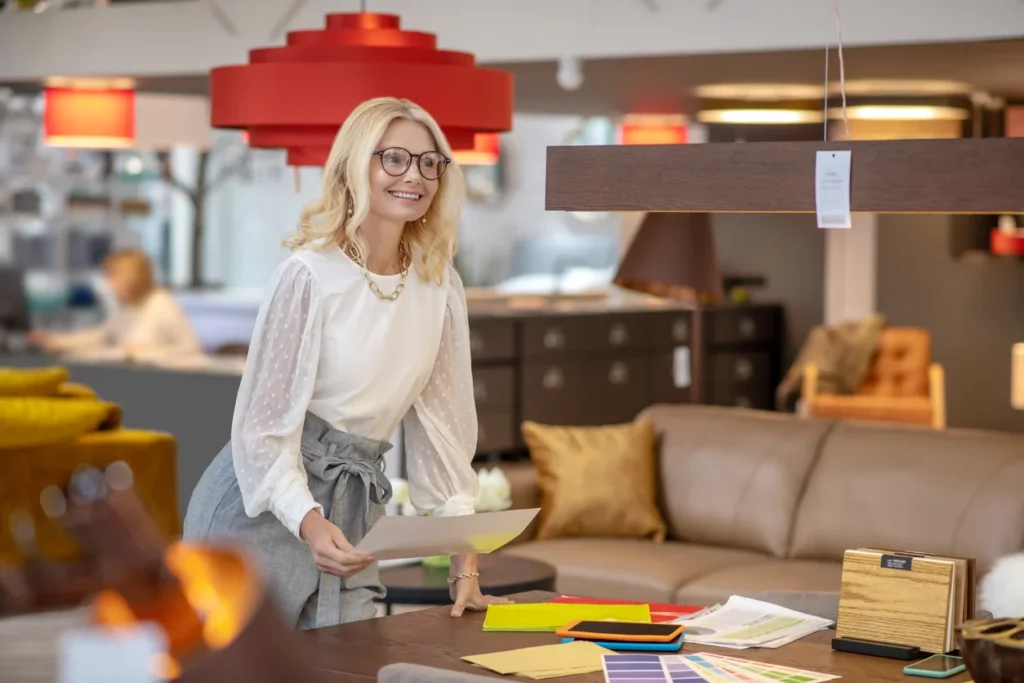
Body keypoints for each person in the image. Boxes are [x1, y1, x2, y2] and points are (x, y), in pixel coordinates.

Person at [183, 97, 511, 629]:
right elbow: (262, 433)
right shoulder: (309, 275)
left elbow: (444, 430)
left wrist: (464, 567)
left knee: (353, 662)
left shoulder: (439, 284)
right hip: (258, 515)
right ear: (357, 165)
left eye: (430, 163)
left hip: (355, 506)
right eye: (395, 159)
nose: (416, 176)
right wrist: (309, 522)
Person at [32, 248, 203, 363]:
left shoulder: (163, 306)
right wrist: (55, 341)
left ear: (130, 278)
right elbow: (102, 336)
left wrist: (140, 353)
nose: (108, 284)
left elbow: (191, 351)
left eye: (111, 277)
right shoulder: (124, 307)